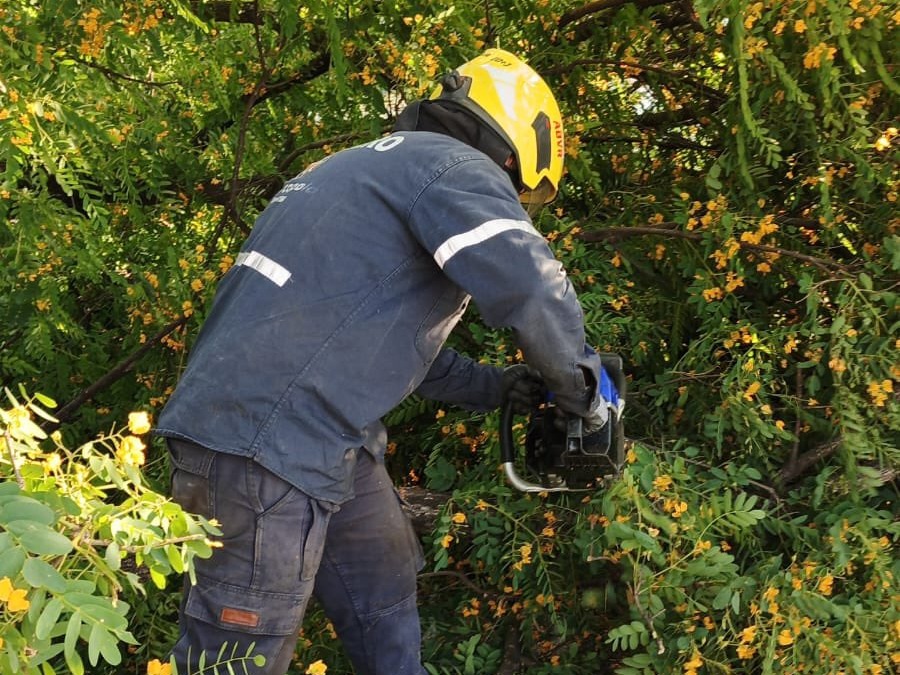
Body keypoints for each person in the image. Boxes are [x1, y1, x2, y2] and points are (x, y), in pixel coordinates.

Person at [154, 48, 610, 675]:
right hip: (267, 449)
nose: (517, 201)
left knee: (384, 593)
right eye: (523, 190)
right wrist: (586, 395)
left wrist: (499, 386)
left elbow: (378, 338)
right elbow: (532, 285)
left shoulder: (358, 169)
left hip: (309, 438)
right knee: (235, 658)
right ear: (516, 149)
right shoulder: (456, 168)